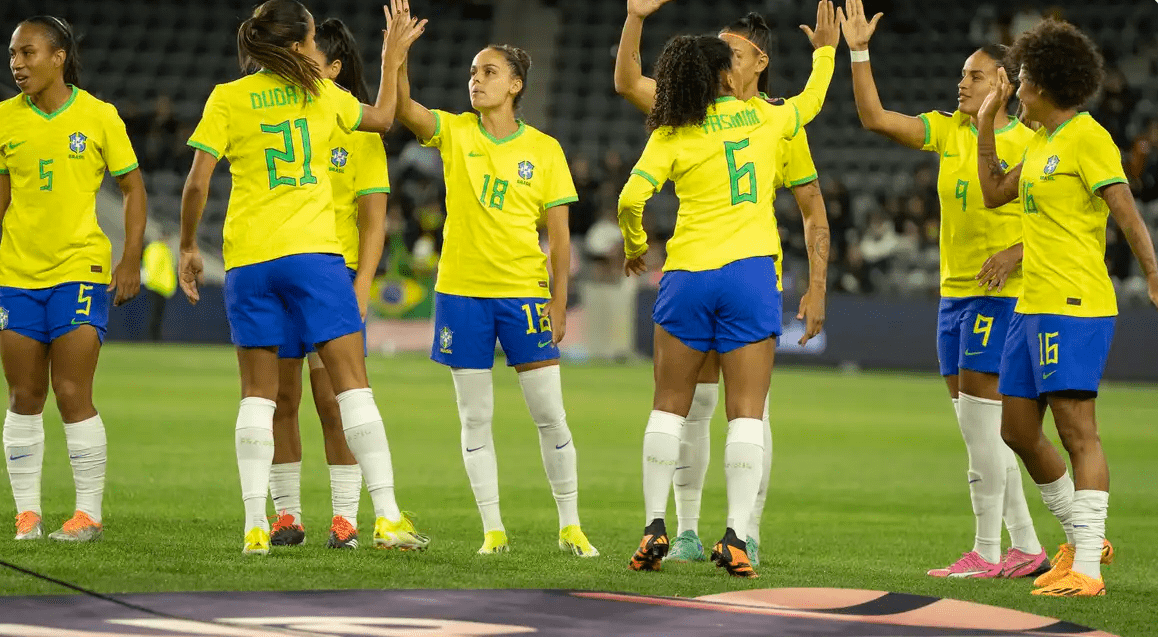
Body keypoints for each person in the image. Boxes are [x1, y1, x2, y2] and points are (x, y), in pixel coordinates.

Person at [178, 0, 427, 555]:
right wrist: (392, 56)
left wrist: (190, 244)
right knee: (351, 388)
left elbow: (197, 183)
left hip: (248, 260)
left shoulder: (228, 97)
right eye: (313, 40)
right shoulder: (321, 94)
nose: (318, 50)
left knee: (258, 397)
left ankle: (254, 525)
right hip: (314, 257)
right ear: (297, 47)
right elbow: (384, 118)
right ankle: (385, 515)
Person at [619, 0, 839, 578]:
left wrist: (634, 244)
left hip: (688, 272)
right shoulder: (772, 120)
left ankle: (654, 526)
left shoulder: (675, 123)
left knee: (669, 407)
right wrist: (829, 51)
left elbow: (629, 198)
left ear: (756, 61)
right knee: (748, 415)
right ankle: (736, 536)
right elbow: (814, 102)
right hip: (749, 273)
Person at [840, 0, 1048, 578]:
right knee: (975, 429)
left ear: (1003, 83)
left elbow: (1062, 221)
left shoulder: (1031, 143)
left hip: (1000, 296)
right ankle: (1026, 546)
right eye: (961, 75)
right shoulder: (952, 131)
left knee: (985, 427)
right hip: (953, 295)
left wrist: (1016, 252)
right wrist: (858, 50)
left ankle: (986, 552)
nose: (962, 84)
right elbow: (876, 117)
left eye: (974, 76)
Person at [386, 0, 598, 557]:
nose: (475, 81)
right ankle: (493, 531)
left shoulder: (544, 150)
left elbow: (558, 236)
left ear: (516, 84)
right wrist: (397, 56)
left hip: (524, 295)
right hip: (461, 295)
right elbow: (404, 107)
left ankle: (570, 526)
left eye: (489, 72)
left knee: (550, 414)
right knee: (474, 416)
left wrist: (559, 301)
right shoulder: (455, 133)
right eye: (473, 72)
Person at [975, 18, 1158, 596]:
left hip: (1074, 303)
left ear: (1047, 83)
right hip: (1031, 306)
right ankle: (1082, 539)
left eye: (1023, 76)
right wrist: (985, 124)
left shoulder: (1087, 137)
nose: (1016, 84)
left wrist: (1153, 272)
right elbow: (993, 192)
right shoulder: (1037, 141)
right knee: (1017, 429)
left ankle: (1087, 568)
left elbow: (1126, 213)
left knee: (1080, 432)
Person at [1, 16, 146, 542]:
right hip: (15, 274)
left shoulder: (98, 116)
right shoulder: (3, 121)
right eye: (13, 54)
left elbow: (133, 189)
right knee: (23, 394)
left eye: (28, 53)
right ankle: (28, 515)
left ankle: (88, 515)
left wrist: (130, 259)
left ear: (59, 56)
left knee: (70, 389)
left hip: (79, 270)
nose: (17, 63)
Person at [266, 17, 391, 551]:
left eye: (312, 55)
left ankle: (345, 519)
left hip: (333, 278)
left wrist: (362, 282)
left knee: (334, 400)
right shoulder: (285, 118)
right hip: (279, 265)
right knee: (280, 398)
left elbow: (374, 221)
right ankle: (286, 515)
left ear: (334, 68)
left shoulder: (360, 134)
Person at [141, 230, 176, 341]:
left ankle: (155, 337)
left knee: (158, 315)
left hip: (160, 286)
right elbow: (154, 268)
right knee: (155, 314)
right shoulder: (157, 249)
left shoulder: (162, 250)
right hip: (156, 286)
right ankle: (153, 338)